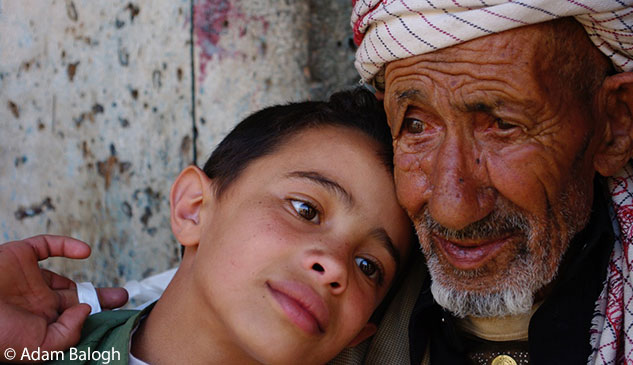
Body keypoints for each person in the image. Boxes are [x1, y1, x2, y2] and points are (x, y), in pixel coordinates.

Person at [335, 0, 633, 364]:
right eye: (416, 126)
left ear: (616, 123)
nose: (452, 209)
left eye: (503, 126)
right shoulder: (337, 322)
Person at [0, 88, 414, 364]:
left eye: (368, 266)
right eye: (305, 210)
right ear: (194, 208)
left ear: (360, 333)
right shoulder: (45, 350)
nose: (337, 266)